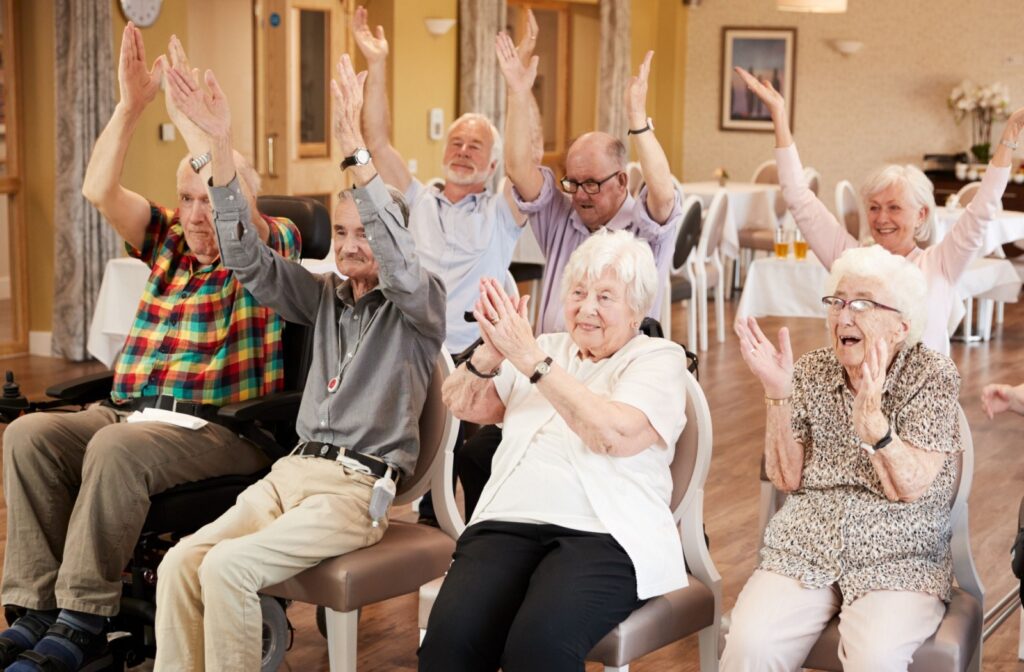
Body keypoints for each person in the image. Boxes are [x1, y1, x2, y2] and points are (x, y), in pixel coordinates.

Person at [0, 25, 299, 672]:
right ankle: (33, 610)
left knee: (115, 446)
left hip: (221, 429)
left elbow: (238, 214)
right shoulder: (164, 240)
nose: (195, 214)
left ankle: (82, 618)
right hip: (134, 414)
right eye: (186, 199)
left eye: (208, 199)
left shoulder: (267, 251)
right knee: (26, 437)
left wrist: (209, 135)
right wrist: (131, 105)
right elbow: (98, 190)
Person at [153, 52, 444, 670]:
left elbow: (395, 257)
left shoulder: (420, 306)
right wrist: (219, 149)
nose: (349, 244)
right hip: (292, 474)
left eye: (363, 231)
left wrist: (354, 151)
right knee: (181, 563)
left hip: (355, 490)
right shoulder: (324, 297)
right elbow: (247, 260)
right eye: (340, 233)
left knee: (229, 569)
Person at [419, 229, 690, 672]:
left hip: (606, 534)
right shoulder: (547, 346)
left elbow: (612, 435)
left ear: (637, 309)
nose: (587, 308)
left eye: (605, 297)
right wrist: (490, 354)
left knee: (538, 649)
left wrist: (531, 362)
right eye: (578, 293)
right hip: (508, 522)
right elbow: (463, 402)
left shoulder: (658, 358)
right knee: (449, 644)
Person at [723, 245, 962, 672]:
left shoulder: (931, 375)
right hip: (807, 544)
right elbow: (786, 477)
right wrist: (778, 393)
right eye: (836, 302)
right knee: (749, 646)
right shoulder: (813, 370)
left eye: (862, 305)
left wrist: (876, 429)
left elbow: (911, 486)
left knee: (876, 658)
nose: (844, 317)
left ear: (900, 326)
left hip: (900, 554)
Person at [736, 66, 1024, 355]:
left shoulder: (941, 263)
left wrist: (1009, 134)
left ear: (921, 214)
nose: (881, 218)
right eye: (874, 208)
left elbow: (982, 207)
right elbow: (799, 197)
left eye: (894, 207)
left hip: (925, 396)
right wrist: (779, 115)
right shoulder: (851, 259)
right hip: (860, 393)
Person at [351, 4, 531, 356]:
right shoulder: (416, 198)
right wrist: (376, 64)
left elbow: (524, 164)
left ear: (493, 164)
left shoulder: (501, 214)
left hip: (472, 353)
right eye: (456, 143)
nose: (462, 151)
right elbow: (377, 144)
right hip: (411, 345)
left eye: (475, 146)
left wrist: (517, 91)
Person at [497, 35, 682, 335]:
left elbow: (663, 195)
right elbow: (518, 169)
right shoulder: (561, 218)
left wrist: (637, 119)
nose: (580, 194)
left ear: (622, 181)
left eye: (592, 184)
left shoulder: (646, 231)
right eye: (573, 182)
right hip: (551, 366)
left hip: (617, 372)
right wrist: (518, 93)